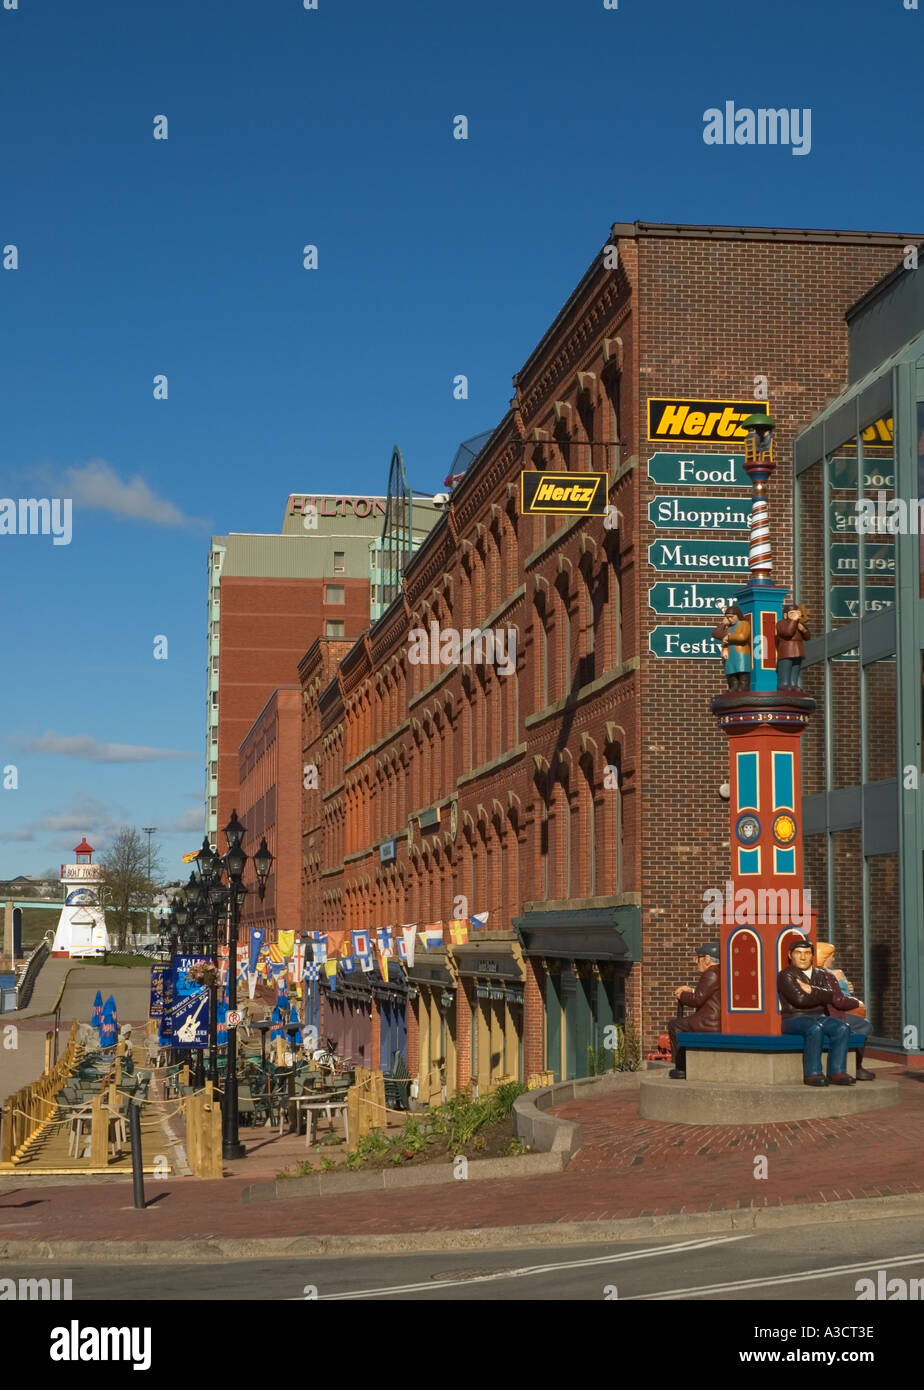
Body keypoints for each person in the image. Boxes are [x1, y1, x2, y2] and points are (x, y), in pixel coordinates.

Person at [778, 939, 854, 1086]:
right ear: (790, 955)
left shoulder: (820, 973)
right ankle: (812, 1073)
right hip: (794, 1018)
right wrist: (819, 995)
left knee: (842, 1028)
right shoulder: (786, 975)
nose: (802, 957)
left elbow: (830, 995)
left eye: (807, 953)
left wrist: (811, 990)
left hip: (819, 1016)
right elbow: (800, 1000)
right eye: (798, 953)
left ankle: (837, 1071)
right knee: (815, 1028)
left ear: (812, 956)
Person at [815, 941, 875, 1080]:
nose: (833, 959)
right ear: (823, 956)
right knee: (864, 1025)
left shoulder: (823, 973)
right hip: (831, 1014)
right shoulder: (827, 975)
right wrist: (856, 1002)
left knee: (859, 1023)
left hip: (829, 1012)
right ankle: (856, 1066)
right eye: (831, 956)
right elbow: (838, 1000)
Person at [666, 941, 721, 1079]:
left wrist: (681, 995)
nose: (697, 961)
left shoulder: (711, 973)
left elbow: (697, 999)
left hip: (708, 1021)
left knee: (674, 1025)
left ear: (707, 959)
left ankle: (681, 1066)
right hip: (712, 1019)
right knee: (679, 1024)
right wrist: (690, 990)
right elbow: (707, 993)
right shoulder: (719, 971)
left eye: (699, 957)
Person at [711, 605, 751, 690]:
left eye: (731, 617)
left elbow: (742, 636)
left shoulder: (744, 624)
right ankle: (734, 687)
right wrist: (723, 623)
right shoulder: (729, 627)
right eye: (727, 617)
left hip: (740, 653)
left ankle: (743, 688)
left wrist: (728, 637)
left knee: (742, 672)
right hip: (730, 653)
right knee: (731, 673)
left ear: (737, 615)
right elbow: (715, 633)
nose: (730, 619)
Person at [775, 602, 810, 689]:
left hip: (798, 649)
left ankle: (794, 684)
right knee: (785, 667)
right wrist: (794, 621)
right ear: (785, 615)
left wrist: (803, 630)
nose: (795, 615)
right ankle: (784, 684)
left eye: (797, 613)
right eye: (792, 613)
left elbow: (807, 637)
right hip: (787, 649)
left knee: (795, 668)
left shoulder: (799, 624)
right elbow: (788, 632)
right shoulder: (781, 623)